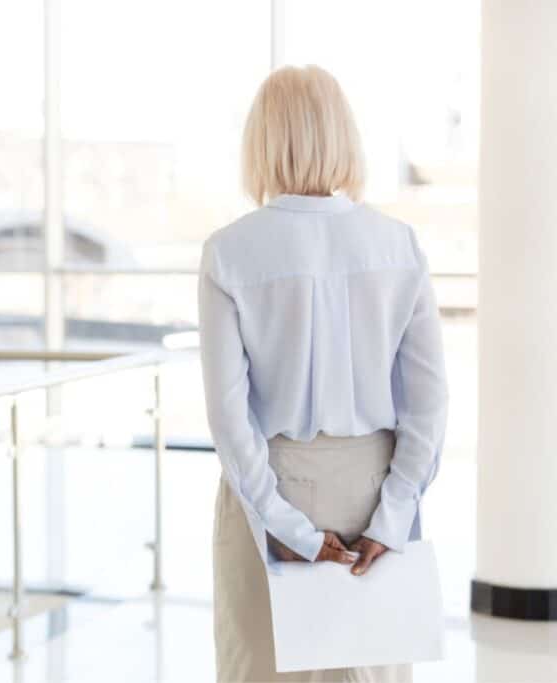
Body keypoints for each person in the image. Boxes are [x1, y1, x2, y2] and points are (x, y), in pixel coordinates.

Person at [199, 65, 448, 682]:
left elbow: (230, 420)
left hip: (269, 488)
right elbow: (429, 406)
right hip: (375, 485)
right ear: (345, 136)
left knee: (260, 669)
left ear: (260, 141)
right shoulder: (398, 244)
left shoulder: (230, 251)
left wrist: (283, 526)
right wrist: (392, 515)